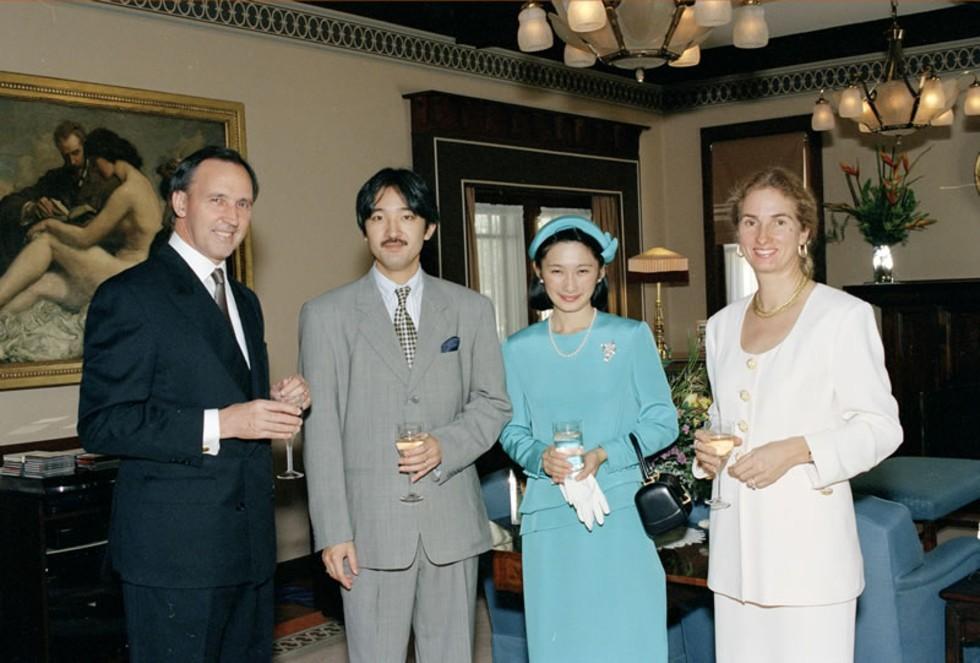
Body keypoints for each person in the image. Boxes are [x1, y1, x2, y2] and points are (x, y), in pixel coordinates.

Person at [78, 146, 309, 662]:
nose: (232, 217)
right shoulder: (131, 295)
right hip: (175, 559)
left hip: (248, 551)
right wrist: (223, 422)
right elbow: (102, 424)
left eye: (244, 204)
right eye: (218, 200)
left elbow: (227, 394)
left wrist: (274, 402)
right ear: (180, 202)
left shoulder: (244, 301)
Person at [300, 167, 511, 663]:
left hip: (451, 524)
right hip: (368, 530)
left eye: (407, 216)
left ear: (429, 228)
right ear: (364, 228)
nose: (392, 229)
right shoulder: (325, 315)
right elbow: (322, 429)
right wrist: (333, 532)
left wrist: (448, 445)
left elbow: (493, 402)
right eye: (378, 217)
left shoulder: (470, 309)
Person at [693, 167, 902, 663]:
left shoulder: (842, 316)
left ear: (805, 232)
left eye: (779, 222)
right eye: (750, 222)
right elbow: (727, 420)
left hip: (809, 551)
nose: (763, 236)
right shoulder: (721, 326)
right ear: (737, 233)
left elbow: (881, 427)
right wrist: (707, 454)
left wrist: (796, 450)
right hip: (735, 557)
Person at [499, 216, 679, 662]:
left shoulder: (629, 336)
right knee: (560, 640)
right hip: (549, 514)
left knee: (627, 638)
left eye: (582, 270)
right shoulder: (518, 348)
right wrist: (540, 456)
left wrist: (605, 453)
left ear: (601, 273)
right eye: (557, 270)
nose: (570, 283)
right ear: (539, 273)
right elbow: (510, 428)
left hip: (618, 510)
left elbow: (663, 420)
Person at [0, 128, 160, 314]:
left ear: (104, 156)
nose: (95, 168)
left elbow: (85, 238)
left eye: (94, 162)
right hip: (118, 273)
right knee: (42, 284)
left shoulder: (126, 192)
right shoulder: (141, 184)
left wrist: (48, 224)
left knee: (47, 241)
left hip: (123, 275)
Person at [0, 120, 118, 271]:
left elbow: (119, 231)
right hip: (56, 259)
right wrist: (32, 208)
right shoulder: (55, 178)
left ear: (85, 147)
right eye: (65, 156)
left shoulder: (105, 179)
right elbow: (9, 203)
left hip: (94, 258)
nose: (72, 162)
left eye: (76, 153)